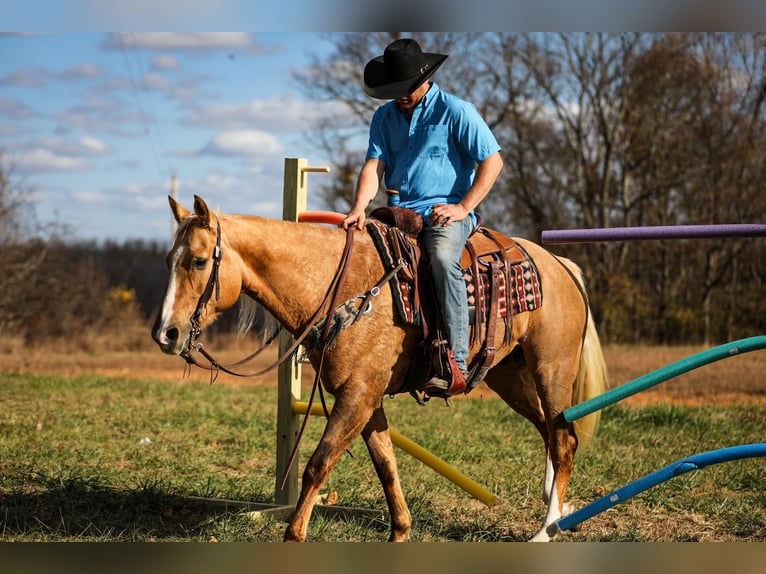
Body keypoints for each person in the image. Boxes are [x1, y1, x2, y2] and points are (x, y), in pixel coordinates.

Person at [342, 38, 504, 395]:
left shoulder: (457, 111)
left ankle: (456, 361)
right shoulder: (384, 117)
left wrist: (462, 207)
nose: (399, 95)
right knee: (355, 254)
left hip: (445, 213)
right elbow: (375, 165)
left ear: (424, 79)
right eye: (393, 89)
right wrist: (358, 209)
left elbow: (492, 161)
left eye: (405, 88)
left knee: (443, 259)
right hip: (398, 212)